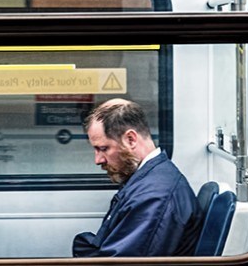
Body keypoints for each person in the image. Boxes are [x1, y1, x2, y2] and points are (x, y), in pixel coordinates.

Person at [72, 98, 202, 257]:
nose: (98, 160)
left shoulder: (154, 197)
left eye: (103, 149)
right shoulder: (147, 180)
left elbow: (123, 263)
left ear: (131, 139)